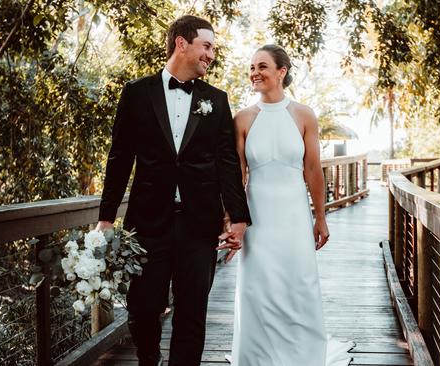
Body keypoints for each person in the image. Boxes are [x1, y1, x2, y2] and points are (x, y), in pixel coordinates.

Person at [96, 15, 250, 366]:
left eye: (213, 48)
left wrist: (238, 216)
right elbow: (119, 158)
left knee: (193, 310)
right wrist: (106, 217)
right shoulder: (137, 93)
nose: (211, 55)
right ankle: (148, 358)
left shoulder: (217, 100)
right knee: (144, 306)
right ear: (182, 43)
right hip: (148, 225)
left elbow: (227, 163)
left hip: (199, 224)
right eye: (206, 46)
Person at [228, 45, 353, 365]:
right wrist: (232, 220)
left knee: (299, 283)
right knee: (258, 287)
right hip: (257, 216)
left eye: (262, 66)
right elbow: (236, 176)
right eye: (251, 67)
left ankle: (302, 355)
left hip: (295, 215)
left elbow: (313, 170)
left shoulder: (303, 114)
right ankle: (257, 355)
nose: (254, 73)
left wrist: (321, 218)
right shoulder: (242, 118)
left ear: (281, 72)